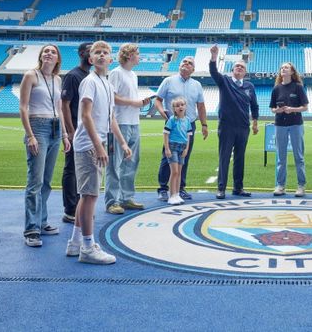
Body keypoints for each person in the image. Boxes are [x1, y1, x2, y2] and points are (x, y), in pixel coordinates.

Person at [65, 40, 131, 265]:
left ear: (110, 59)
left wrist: (122, 142)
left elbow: (111, 118)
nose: (102, 55)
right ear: (90, 59)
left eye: (105, 52)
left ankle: (75, 243)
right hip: (88, 145)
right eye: (97, 53)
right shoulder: (90, 82)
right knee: (91, 196)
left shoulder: (106, 84)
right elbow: (85, 116)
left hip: (97, 142)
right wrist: (99, 145)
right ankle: (87, 246)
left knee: (87, 195)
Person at [20, 44, 71, 248]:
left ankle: (42, 221)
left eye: (53, 52)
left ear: (58, 59)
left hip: (56, 128)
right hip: (38, 127)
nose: (49, 54)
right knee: (35, 181)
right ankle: (31, 229)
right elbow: (23, 107)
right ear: (41, 56)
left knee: (47, 181)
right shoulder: (31, 76)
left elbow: (59, 108)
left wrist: (65, 134)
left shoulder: (57, 79)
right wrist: (30, 135)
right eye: (46, 51)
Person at [105, 43, 152, 214]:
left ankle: (126, 198)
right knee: (115, 163)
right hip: (120, 122)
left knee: (131, 162)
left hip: (134, 122)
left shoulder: (133, 74)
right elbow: (112, 97)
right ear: (129, 55)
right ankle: (112, 201)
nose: (140, 56)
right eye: (137, 53)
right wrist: (134, 103)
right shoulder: (116, 73)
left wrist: (139, 103)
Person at [154, 56, 208, 202]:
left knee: (184, 156)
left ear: (193, 69)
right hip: (172, 124)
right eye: (184, 61)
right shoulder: (168, 81)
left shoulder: (197, 85)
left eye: (190, 63)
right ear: (179, 65)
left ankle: (180, 188)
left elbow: (201, 106)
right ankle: (163, 188)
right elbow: (157, 99)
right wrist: (161, 112)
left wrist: (204, 125)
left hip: (189, 125)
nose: (186, 64)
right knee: (168, 155)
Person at [209, 44, 259, 199]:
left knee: (240, 158)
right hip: (227, 126)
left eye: (242, 67)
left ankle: (238, 188)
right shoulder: (224, 81)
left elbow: (254, 105)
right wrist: (213, 57)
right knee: (224, 157)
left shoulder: (249, 86)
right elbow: (213, 72)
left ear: (245, 72)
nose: (239, 68)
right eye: (236, 66)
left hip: (243, 127)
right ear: (232, 70)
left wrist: (255, 122)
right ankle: (221, 188)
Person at [60, 42, 92, 224]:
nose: (91, 54)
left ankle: (80, 206)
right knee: (71, 168)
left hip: (88, 132)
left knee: (83, 170)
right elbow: (64, 103)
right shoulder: (73, 76)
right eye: (89, 50)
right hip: (76, 130)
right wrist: (70, 130)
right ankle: (70, 209)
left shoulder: (91, 76)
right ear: (81, 54)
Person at [270, 62, 309, 197]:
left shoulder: (298, 87)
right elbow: (272, 109)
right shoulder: (276, 88)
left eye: (286, 67)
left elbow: (305, 107)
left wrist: (292, 109)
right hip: (280, 124)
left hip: (296, 124)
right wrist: (278, 110)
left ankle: (301, 186)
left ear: (292, 72)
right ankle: (280, 186)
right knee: (281, 157)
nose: (283, 69)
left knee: (299, 156)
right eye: (281, 67)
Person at [163, 97, 193, 205]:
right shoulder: (172, 120)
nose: (180, 107)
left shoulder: (188, 120)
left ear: (185, 106)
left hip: (182, 147)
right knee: (174, 172)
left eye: (182, 105)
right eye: (177, 105)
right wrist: (167, 148)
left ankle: (177, 194)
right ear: (174, 109)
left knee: (179, 172)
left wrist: (186, 149)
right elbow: (166, 134)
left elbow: (188, 136)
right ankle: (171, 195)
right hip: (173, 147)